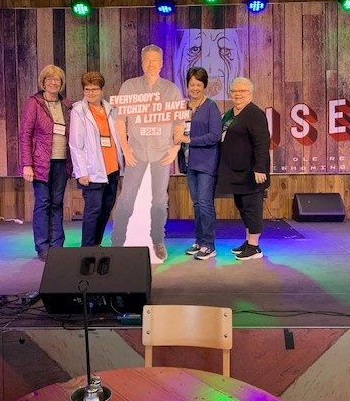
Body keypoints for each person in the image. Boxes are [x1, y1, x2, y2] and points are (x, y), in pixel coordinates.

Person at [110, 44, 183, 261]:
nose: (151, 64)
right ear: (142, 63)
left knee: (160, 199)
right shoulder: (129, 87)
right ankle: (117, 240)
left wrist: (176, 148)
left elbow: (179, 122)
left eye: (155, 61)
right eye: (148, 60)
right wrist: (125, 149)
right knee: (126, 197)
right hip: (136, 151)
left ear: (161, 64)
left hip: (162, 152)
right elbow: (120, 120)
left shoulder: (171, 89)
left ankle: (158, 239)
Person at [20, 65, 72, 261]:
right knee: (43, 203)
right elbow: (25, 135)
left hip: (62, 162)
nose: (53, 82)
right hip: (41, 163)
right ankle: (42, 247)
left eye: (57, 79)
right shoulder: (34, 103)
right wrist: (27, 164)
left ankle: (57, 245)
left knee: (57, 203)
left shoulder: (66, 105)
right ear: (43, 82)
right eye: (49, 79)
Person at [216, 77, 271, 260]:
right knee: (242, 207)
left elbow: (262, 143)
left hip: (251, 173)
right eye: (234, 91)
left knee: (252, 208)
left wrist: (260, 168)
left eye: (242, 91)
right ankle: (248, 241)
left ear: (251, 94)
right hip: (235, 172)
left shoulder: (255, 114)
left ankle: (254, 247)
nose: (238, 94)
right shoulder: (230, 114)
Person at [69, 71, 124, 247]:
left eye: (94, 89)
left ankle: (96, 245)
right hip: (92, 171)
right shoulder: (79, 111)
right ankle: (86, 249)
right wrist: (81, 172)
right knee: (93, 211)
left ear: (101, 90)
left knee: (106, 209)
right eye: (87, 89)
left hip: (112, 168)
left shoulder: (110, 109)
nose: (91, 93)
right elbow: (75, 144)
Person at [174, 67, 222, 260]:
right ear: (187, 85)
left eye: (199, 85)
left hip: (206, 163)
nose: (195, 88)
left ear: (204, 86)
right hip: (188, 162)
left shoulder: (211, 107)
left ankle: (209, 245)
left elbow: (215, 136)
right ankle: (199, 241)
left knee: (204, 203)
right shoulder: (183, 107)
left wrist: (190, 140)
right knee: (196, 204)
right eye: (192, 84)